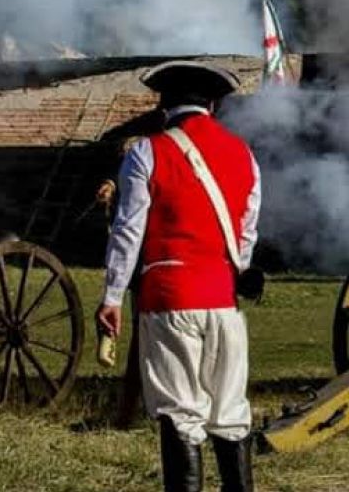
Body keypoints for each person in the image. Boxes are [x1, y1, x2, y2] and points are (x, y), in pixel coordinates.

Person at [96, 60, 262, 492]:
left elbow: (128, 231)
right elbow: (245, 234)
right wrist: (233, 274)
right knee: (229, 414)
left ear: (163, 104)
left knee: (180, 417)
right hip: (224, 303)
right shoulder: (244, 154)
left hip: (169, 301)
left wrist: (112, 296)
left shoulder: (146, 152)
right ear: (212, 104)